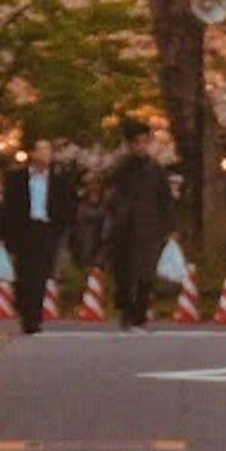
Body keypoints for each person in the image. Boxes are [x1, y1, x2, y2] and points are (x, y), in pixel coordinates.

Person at [0, 146, 78, 335]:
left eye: (48, 150)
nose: (46, 154)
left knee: (41, 273)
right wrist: (4, 235)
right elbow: (8, 208)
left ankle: (34, 316)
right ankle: (25, 310)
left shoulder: (58, 180)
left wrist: (61, 225)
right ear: (32, 153)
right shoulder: (17, 179)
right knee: (25, 272)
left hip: (47, 228)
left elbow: (69, 204)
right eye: (42, 150)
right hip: (25, 229)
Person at [97, 122, 172, 329]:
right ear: (129, 145)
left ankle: (139, 315)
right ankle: (126, 310)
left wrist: (169, 227)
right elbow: (109, 197)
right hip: (123, 230)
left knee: (145, 275)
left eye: (144, 142)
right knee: (124, 274)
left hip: (150, 229)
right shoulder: (120, 169)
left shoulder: (156, 169)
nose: (141, 147)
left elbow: (165, 199)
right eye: (136, 143)